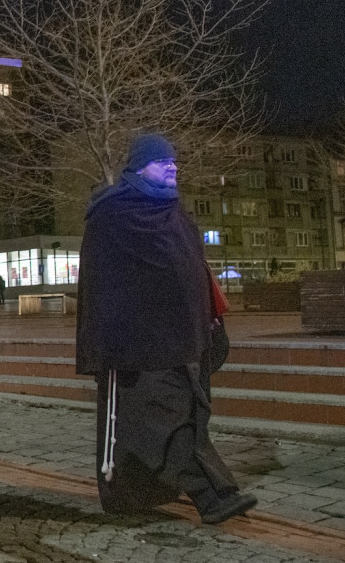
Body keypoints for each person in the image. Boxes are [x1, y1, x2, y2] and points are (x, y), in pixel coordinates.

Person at [75, 133, 257, 525]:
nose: (173, 166)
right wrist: (107, 345)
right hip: (137, 347)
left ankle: (132, 495)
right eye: (163, 162)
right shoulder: (112, 216)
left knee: (171, 423)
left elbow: (192, 275)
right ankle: (212, 497)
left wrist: (209, 324)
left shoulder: (176, 215)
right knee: (167, 424)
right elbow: (102, 285)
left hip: (185, 340)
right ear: (140, 168)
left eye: (175, 161)